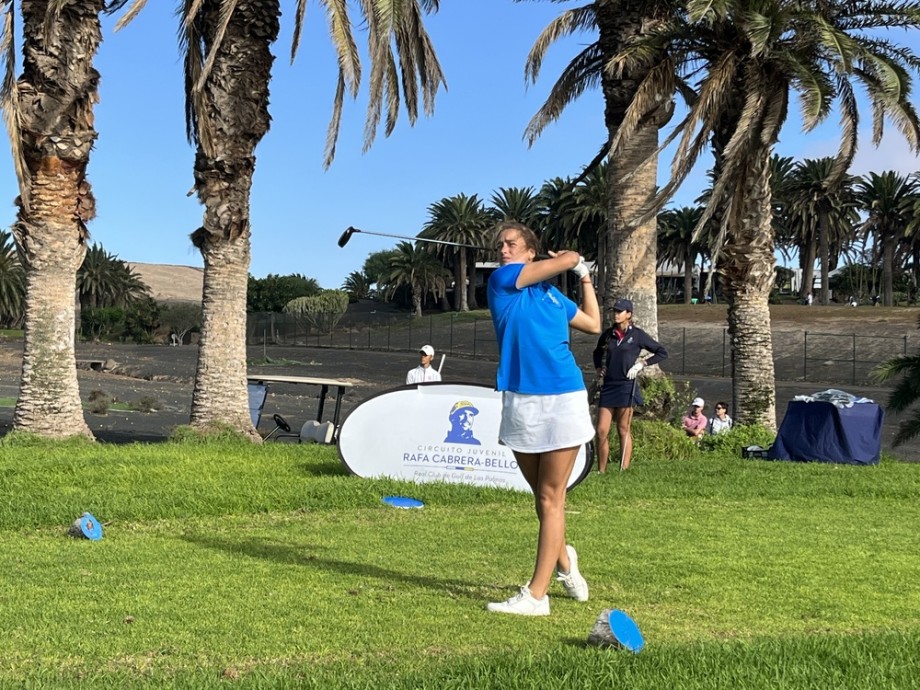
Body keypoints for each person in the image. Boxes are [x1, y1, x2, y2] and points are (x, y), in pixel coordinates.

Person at [485, 221, 600, 617]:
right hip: (520, 399)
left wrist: (583, 277)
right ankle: (565, 561)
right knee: (543, 498)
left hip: (564, 396)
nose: (503, 249)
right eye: (500, 244)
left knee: (552, 497)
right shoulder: (503, 281)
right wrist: (571, 260)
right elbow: (567, 258)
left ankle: (537, 595)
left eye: (511, 244)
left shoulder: (552, 296)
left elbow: (593, 324)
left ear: (531, 251)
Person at [592, 298, 668, 473]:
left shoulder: (637, 335)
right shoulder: (609, 334)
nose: (616, 314)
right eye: (615, 311)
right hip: (609, 385)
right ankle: (601, 470)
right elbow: (597, 353)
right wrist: (599, 368)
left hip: (627, 385)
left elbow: (661, 352)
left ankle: (623, 469)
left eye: (619, 312)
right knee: (601, 429)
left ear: (629, 314)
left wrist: (642, 364)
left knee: (623, 428)